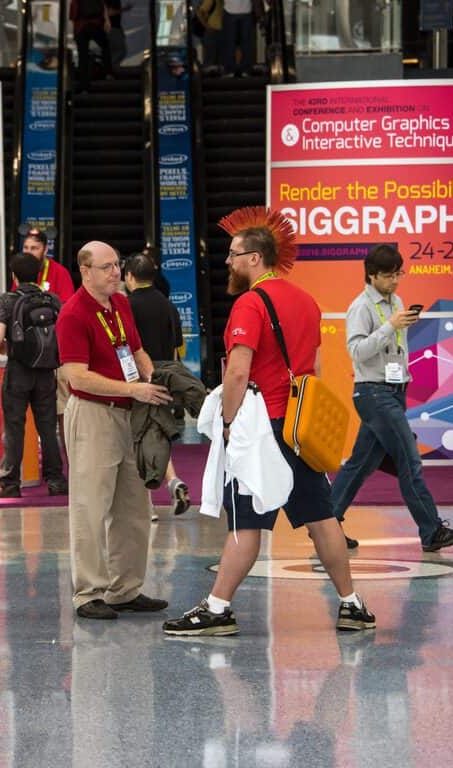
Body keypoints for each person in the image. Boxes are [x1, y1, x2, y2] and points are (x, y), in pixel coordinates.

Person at [163, 214, 375, 636]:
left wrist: (228, 422)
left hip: (262, 429)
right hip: (297, 427)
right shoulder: (307, 301)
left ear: (255, 258)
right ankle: (351, 604)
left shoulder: (250, 303)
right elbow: (313, 368)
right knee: (322, 518)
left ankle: (218, 608)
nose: (227, 261)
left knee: (246, 521)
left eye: (233, 254)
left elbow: (238, 371)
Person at [55, 241, 173, 620]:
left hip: (128, 414)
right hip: (93, 414)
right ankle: (88, 592)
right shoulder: (73, 314)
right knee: (90, 506)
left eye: (117, 265)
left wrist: (152, 378)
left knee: (134, 506)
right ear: (85, 271)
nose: (115, 273)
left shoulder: (121, 304)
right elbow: (77, 376)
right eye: (105, 267)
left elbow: (136, 351)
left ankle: (125, 589)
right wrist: (132, 389)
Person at [329, 245, 453, 552]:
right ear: (372, 275)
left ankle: (325, 525)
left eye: (398, 274)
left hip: (394, 390)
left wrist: (397, 328)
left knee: (359, 465)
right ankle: (432, 531)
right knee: (409, 461)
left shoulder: (397, 302)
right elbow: (357, 351)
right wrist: (389, 327)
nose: (395, 281)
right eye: (389, 275)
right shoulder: (360, 307)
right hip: (373, 393)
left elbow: (395, 347)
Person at [0, 252, 68, 498]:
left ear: (14, 276)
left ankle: (9, 484)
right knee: (48, 428)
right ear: (38, 274)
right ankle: (56, 481)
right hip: (46, 372)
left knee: (14, 427)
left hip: (18, 371)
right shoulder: (52, 300)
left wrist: (9, 350)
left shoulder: (7, 300)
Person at [123, 252, 190, 517]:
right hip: (164, 377)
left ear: (129, 276)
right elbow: (177, 348)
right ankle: (173, 481)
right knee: (156, 434)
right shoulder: (168, 306)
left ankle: (146, 503)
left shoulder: (126, 306)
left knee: (138, 437)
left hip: (136, 379)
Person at [16, 229, 76, 441]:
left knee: (61, 406)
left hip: (55, 352)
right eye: (26, 247)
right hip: (29, 355)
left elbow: (67, 311)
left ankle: (68, 450)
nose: (29, 252)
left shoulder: (59, 273)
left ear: (45, 249)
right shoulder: (20, 275)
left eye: (34, 248)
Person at [70, 0, 114, 91]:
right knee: (105, 45)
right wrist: (107, 20)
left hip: (80, 27)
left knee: (83, 56)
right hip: (93, 24)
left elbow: (72, 14)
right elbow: (102, 5)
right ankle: (108, 72)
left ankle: (84, 85)